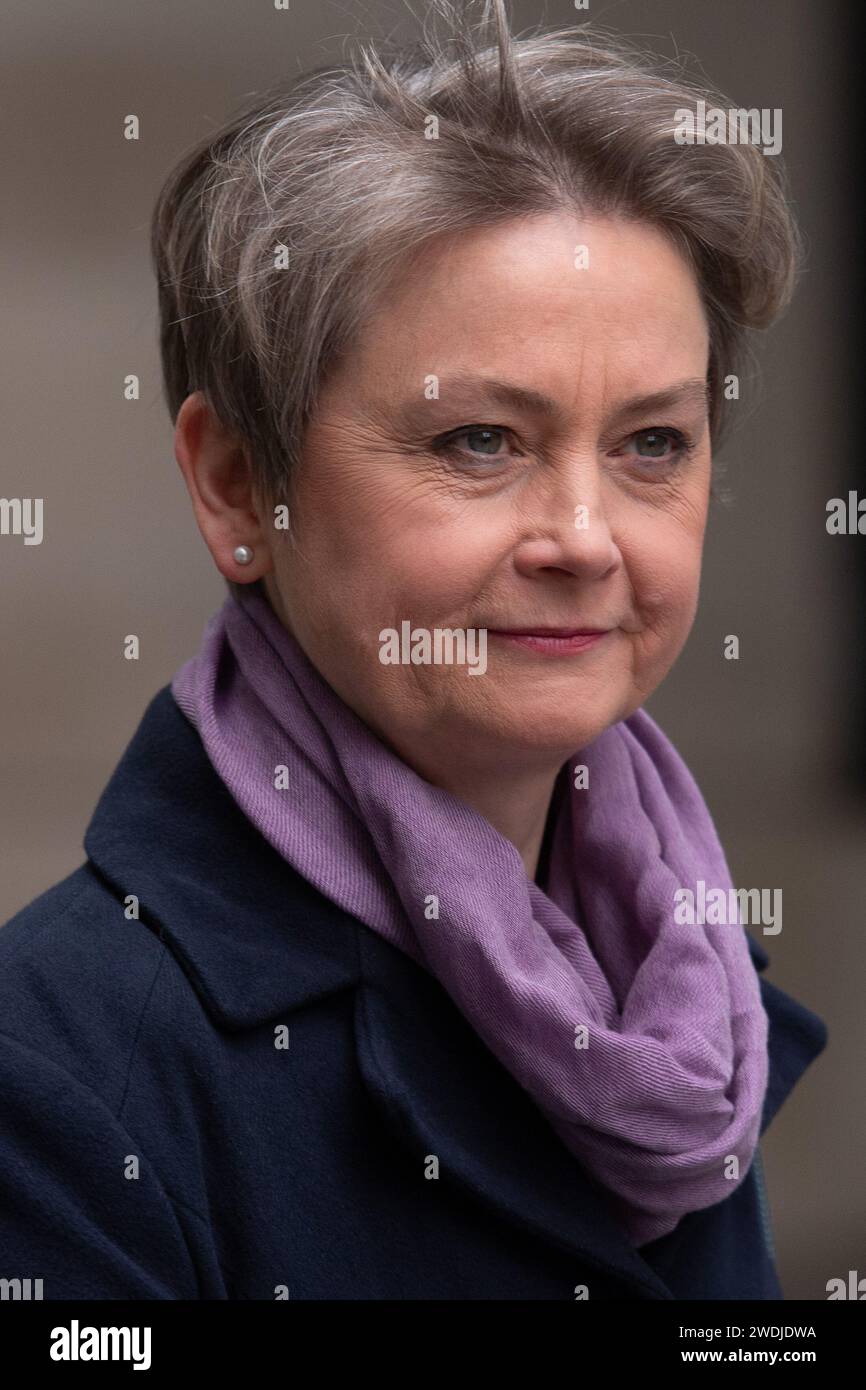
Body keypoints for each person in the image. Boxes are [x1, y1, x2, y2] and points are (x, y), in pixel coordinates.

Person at [0, 0, 827, 1299]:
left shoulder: (678, 999)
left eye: (650, 444)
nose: (582, 536)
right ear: (233, 486)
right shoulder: (58, 1074)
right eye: (477, 442)